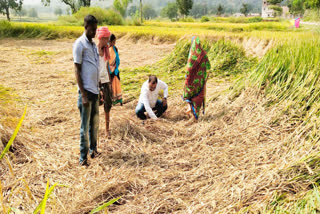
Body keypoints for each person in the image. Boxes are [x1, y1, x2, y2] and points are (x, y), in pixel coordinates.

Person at [73, 15, 100, 166]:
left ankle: (93, 150)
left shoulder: (93, 45)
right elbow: (77, 69)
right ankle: (83, 157)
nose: (94, 32)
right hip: (86, 92)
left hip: (95, 91)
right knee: (85, 126)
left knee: (94, 124)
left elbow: (96, 67)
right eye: (91, 30)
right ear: (85, 27)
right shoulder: (79, 44)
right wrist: (83, 94)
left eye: (95, 30)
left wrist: (100, 88)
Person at [183, 36, 211, 121]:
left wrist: (187, 76)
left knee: (188, 94)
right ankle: (195, 115)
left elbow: (189, 69)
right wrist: (203, 75)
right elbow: (208, 67)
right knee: (199, 96)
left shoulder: (192, 55)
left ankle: (190, 108)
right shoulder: (204, 55)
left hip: (191, 81)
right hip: (200, 81)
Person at [97, 27, 113, 139]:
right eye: (106, 39)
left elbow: (107, 65)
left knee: (108, 105)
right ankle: (95, 128)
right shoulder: (94, 50)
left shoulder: (106, 50)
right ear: (101, 38)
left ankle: (107, 130)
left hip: (106, 80)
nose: (108, 41)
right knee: (95, 105)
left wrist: (110, 81)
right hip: (96, 81)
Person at [108, 34, 123, 105]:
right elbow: (107, 61)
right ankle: (111, 101)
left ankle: (119, 101)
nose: (114, 43)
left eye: (115, 41)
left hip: (115, 69)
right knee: (110, 86)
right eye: (113, 42)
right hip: (109, 70)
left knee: (117, 84)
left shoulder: (115, 48)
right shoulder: (106, 49)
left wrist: (115, 67)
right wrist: (110, 69)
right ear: (109, 41)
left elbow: (117, 59)